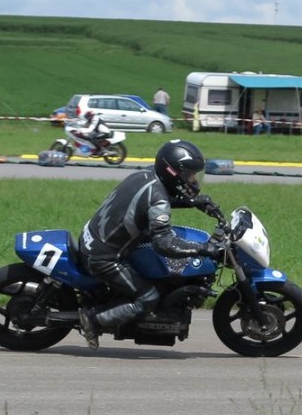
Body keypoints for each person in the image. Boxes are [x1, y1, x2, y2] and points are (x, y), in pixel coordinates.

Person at [77, 139, 222, 350]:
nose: (193, 180)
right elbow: (164, 244)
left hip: (93, 237)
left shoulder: (147, 175)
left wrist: (192, 202)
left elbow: (153, 202)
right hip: (103, 256)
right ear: (173, 172)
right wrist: (202, 248)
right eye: (189, 174)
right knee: (148, 297)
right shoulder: (158, 199)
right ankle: (93, 319)